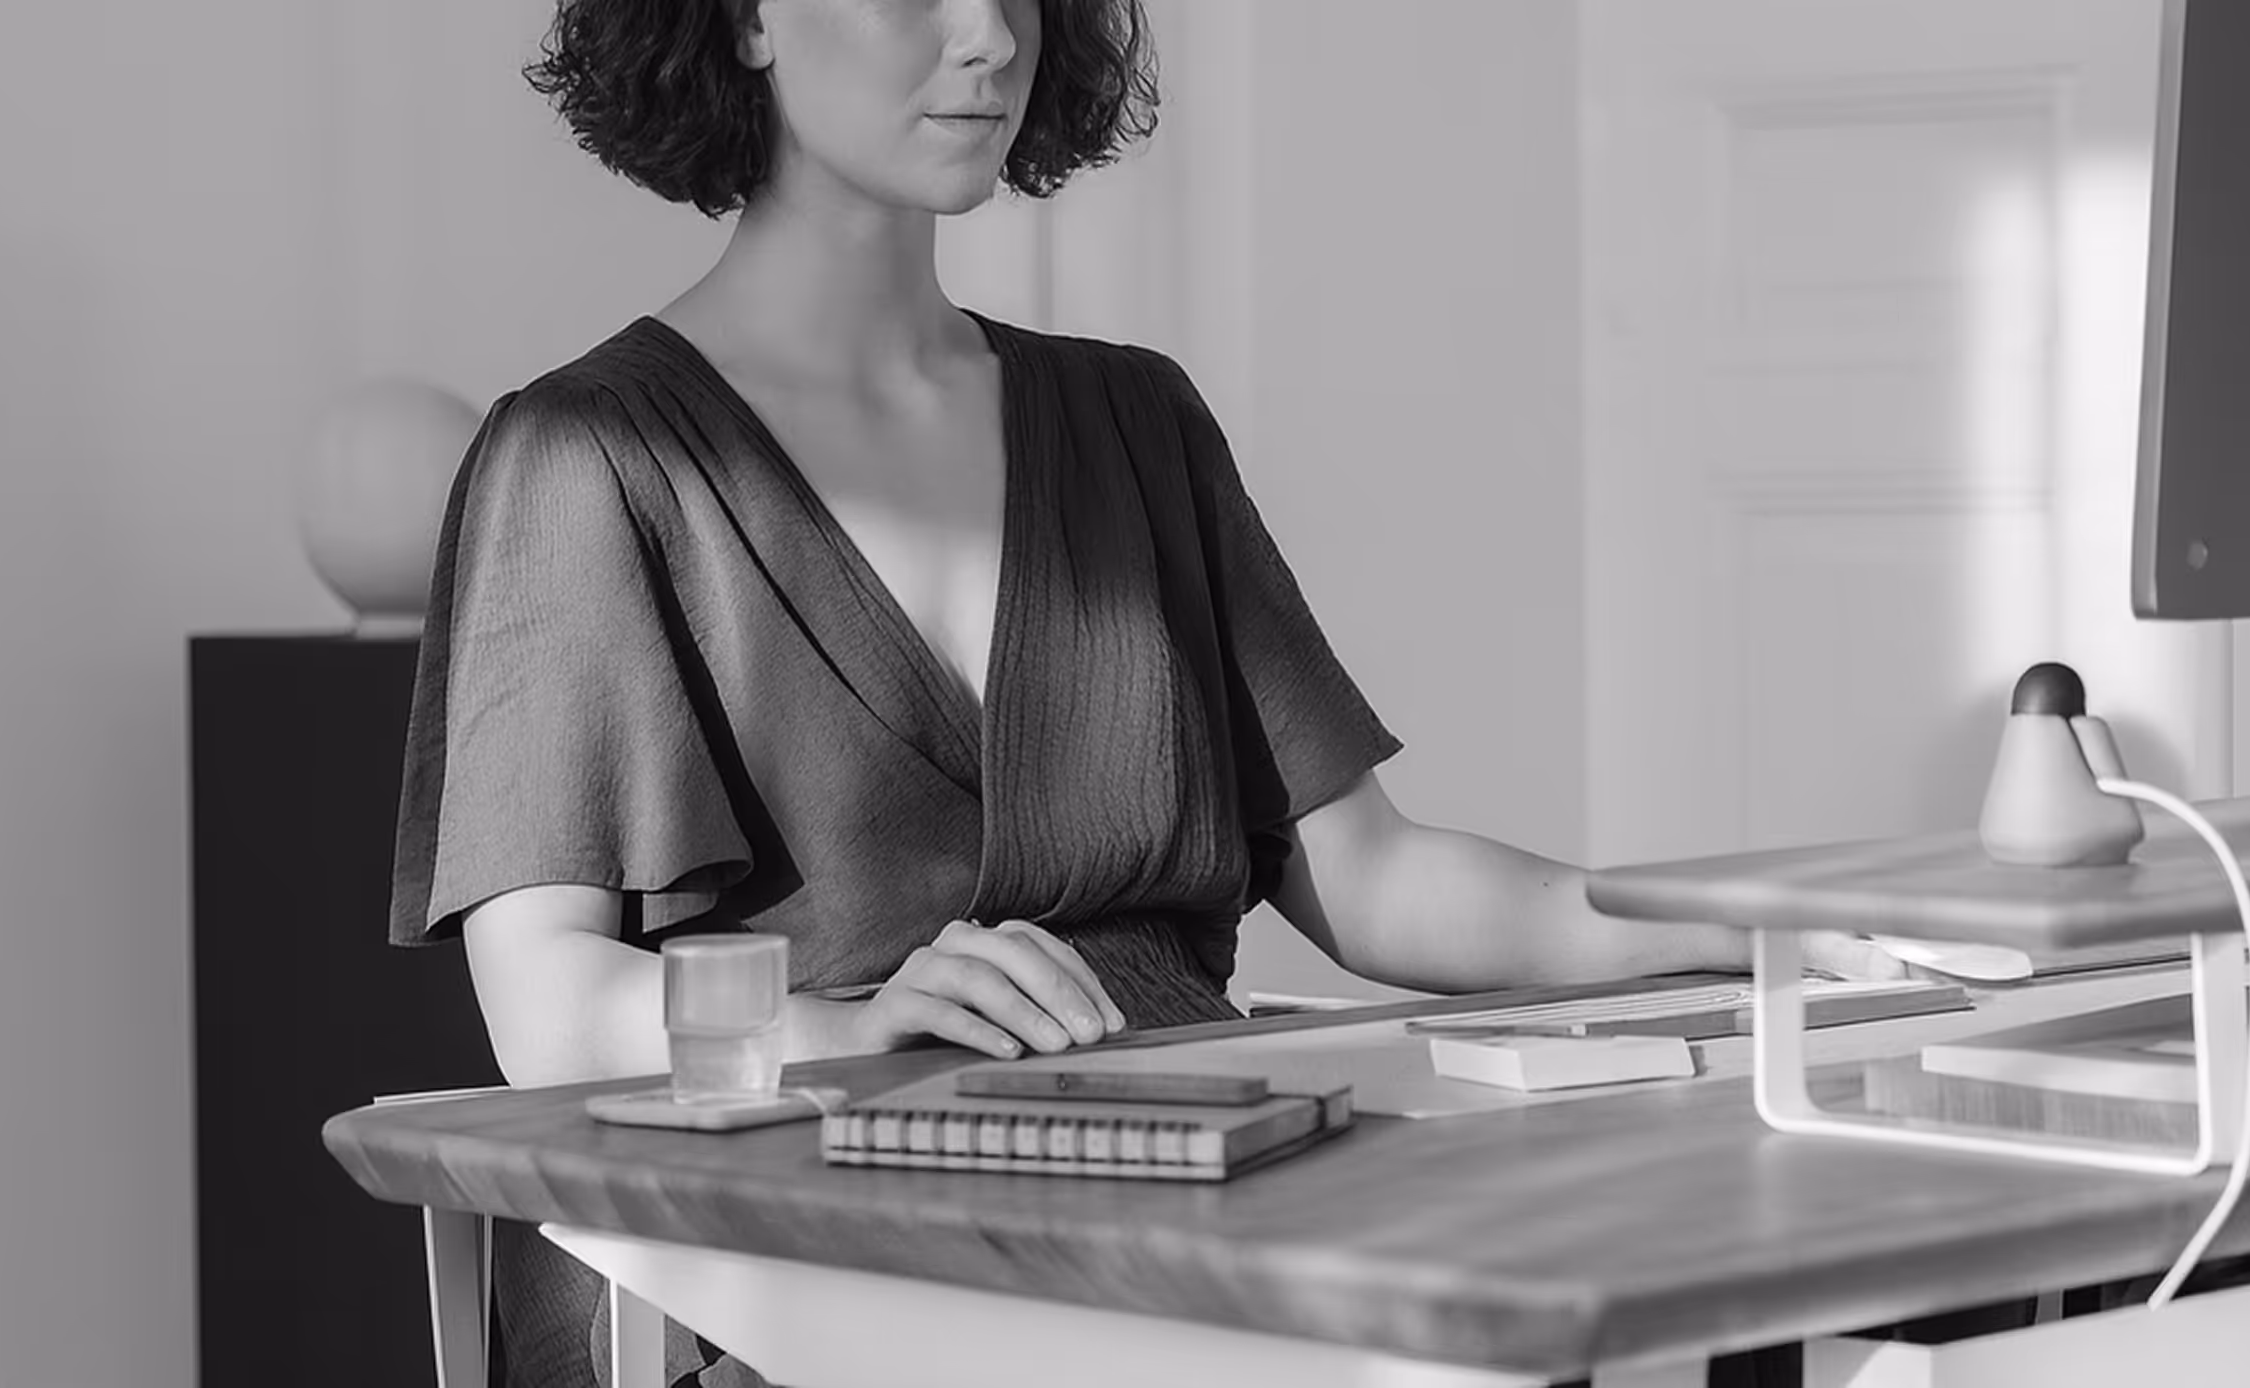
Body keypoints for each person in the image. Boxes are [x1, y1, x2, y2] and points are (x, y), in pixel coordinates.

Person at [386, 1, 1899, 1383]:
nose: (987, 36)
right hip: (793, 1272)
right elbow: (551, 1011)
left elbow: (1375, 880)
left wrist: (1758, 929)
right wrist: (846, 1024)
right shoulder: (585, 458)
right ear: (749, 19)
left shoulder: (1131, 418)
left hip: (1198, 1217)